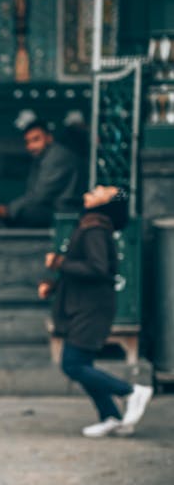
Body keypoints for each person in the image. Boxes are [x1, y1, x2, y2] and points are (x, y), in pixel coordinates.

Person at [39, 184, 153, 438]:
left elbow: (97, 268)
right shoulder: (91, 225)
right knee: (82, 363)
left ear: (107, 203)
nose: (94, 189)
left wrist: (59, 262)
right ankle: (110, 416)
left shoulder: (95, 229)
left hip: (91, 308)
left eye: (104, 190)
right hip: (87, 305)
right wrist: (54, 284)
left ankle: (132, 391)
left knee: (73, 364)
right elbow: (83, 269)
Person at [0, 116, 86, 228]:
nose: (31, 146)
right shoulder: (43, 157)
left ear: (49, 138)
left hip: (64, 212)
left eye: (36, 139)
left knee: (24, 213)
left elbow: (40, 195)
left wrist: (9, 210)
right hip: (53, 209)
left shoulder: (56, 157)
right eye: (28, 142)